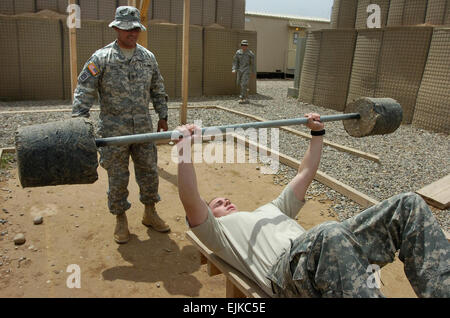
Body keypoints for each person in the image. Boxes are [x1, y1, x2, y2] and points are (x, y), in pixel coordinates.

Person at [175, 114, 450, 298]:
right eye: (216, 204)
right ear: (211, 216)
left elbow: (304, 174)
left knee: (408, 204)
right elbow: (190, 198)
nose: (224, 200)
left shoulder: (273, 210)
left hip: (328, 251)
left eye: (225, 198)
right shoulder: (219, 233)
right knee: (330, 232)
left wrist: (317, 134)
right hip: (286, 276)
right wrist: (185, 148)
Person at [72, 6, 171, 244]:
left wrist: (163, 115)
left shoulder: (148, 58)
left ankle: (150, 212)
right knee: (117, 176)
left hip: (143, 130)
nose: (132, 33)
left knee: (149, 171)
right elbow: (84, 90)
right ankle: (121, 219)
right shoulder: (101, 58)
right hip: (113, 131)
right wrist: (78, 123)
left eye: (136, 29)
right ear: (116, 28)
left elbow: (158, 88)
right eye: (127, 29)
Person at [232, 40, 256, 104]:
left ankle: (242, 98)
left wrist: (253, 72)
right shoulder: (238, 52)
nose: (244, 46)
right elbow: (235, 61)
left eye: (245, 45)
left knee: (243, 84)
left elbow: (253, 64)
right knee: (240, 83)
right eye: (243, 45)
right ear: (241, 45)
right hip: (240, 70)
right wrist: (234, 69)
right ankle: (246, 94)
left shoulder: (250, 53)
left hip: (246, 70)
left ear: (247, 46)